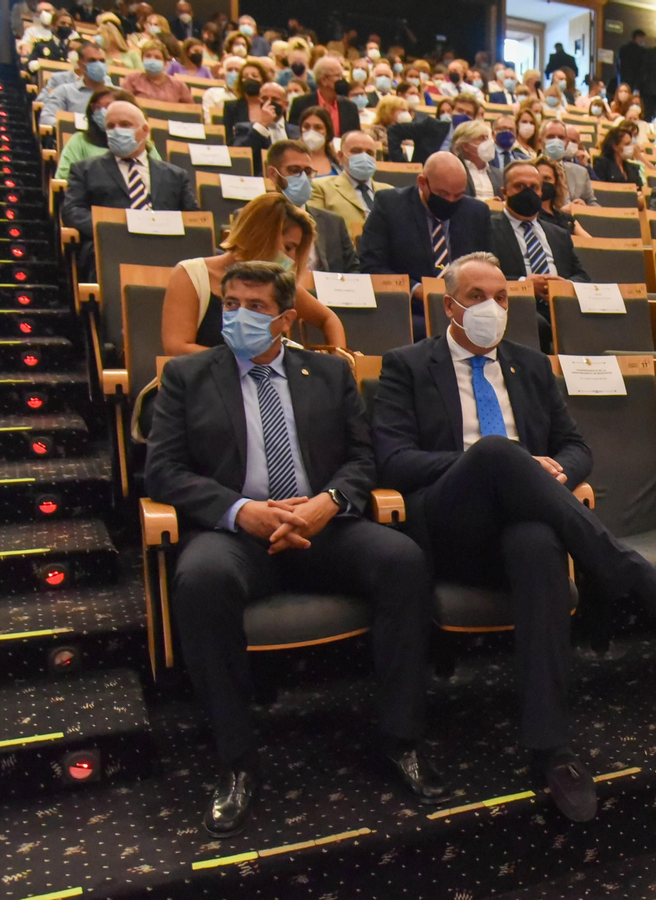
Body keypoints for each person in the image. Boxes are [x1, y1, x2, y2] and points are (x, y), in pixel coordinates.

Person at [369, 253, 656, 822]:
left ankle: (550, 747)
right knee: (494, 451)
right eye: (478, 295)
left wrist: (554, 469)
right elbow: (394, 460)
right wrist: (494, 464)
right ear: (449, 304)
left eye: (502, 297)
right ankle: (635, 575)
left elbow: (576, 446)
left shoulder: (530, 365)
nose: (492, 307)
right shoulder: (406, 365)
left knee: (536, 544)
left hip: (519, 525)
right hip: (447, 523)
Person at [144, 260, 437, 839]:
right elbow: (164, 472)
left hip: (322, 526)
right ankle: (235, 761)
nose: (238, 316)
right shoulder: (187, 376)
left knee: (403, 559)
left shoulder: (329, 375)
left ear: (284, 319)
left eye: (254, 307)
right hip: (236, 534)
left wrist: (329, 501)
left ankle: (401, 739)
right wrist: (239, 510)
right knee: (200, 580)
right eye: (230, 304)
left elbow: (363, 460)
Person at [160, 192, 347, 356]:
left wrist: (339, 360)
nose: (291, 258)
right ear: (260, 237)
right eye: (288, 247)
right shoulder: (191, 275)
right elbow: (176, 348)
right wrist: (247, 363)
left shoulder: (277, 283)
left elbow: (329, 319)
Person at [359, 151, 494, 337]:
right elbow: (372, 265)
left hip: (467, 307)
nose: (451, 201)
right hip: (410, 307)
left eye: (458, 195)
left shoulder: (476, 212)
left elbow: (487, 265)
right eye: (443, 194)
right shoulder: (390, 205)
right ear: (422, 183)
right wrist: (415, 289)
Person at [60, 101, 198, 276]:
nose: (116, 130)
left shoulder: (176, 175)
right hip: (113, 244)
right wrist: (113, 228)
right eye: (110, 126)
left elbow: (193, 218)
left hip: (166, 243)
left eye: (125, 125)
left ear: (145, 130)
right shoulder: (85, 170)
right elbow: (72, 211)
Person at [488, 160, 590, 329]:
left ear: (541, 191)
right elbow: (483, 279)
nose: (527, 192)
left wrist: (565, 285)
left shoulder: (559, 234)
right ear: (505, 192)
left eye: (534, 187)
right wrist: (524, 285)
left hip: (561, 306)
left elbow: (582, 277)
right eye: (519, 186)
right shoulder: (488, 228)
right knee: (539, 325)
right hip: (516, 307)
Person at [262, 140, 357, 278]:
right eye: (294, 170)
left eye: (307, 171)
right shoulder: (257, 219)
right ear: (273, 174)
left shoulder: (333, 223)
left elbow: (354, 269)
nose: (303, 178)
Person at [54, 87, 155, 181]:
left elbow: (159, 179)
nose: (102, 112)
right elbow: (64, 177)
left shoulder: (144, 144)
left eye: (108, 106)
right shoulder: (79, 141)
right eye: (97, 107)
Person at [309, 131, 385, 238]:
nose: (364, 157)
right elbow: (317, 231)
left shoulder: (389, 191)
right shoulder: (320, 187)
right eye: (356, 151)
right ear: (340, 156)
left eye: (369, 153)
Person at [289, 57, 359, 143]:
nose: (342, 80)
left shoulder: (350, 107)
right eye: (338, 76)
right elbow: (294, 136)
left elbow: (355, 138)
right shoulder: (301, 104)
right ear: (324, 80)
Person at [40, 43, 109, 122]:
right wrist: (69, 126)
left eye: (102, 61)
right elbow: (46, 118)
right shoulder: (64, 91)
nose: (98, 65)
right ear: (80, 64)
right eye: (92, 61)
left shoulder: (117, 94)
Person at [122, 41, 194, 104]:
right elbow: (125, 105)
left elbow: (190, 111)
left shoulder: (178, 85)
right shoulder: (132, 79)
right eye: (148, 56)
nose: (152, 60)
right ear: (142, 59)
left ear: (165, 63)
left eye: (157, 57)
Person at [449, 119, 502, 201]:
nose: (488, 143)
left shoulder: (499, 175)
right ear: (465, 146)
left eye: (487, 138)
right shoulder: (453, 172)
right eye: (481, 138)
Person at [295, 106, 339, 177]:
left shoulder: (338, 162)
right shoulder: (290, 161)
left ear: (327, 132)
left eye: (318, 127)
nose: (311, 131)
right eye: (306, 126)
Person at [616, 29, 648, 98]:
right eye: (642, 38)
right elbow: (642, 69)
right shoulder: (642, 51)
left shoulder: (622, 49)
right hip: (636, 82)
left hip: (623, 79)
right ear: (638, 37)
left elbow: (618, 66)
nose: (642, 41)